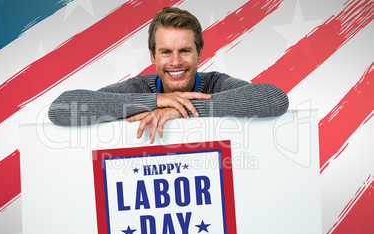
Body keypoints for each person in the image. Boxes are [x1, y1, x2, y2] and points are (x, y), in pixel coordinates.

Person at [48, 7, 289, 143]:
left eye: (185, 50)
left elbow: (274, 98)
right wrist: (156, 101)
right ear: (152, 56)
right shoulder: (138, 88)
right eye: (165, 52)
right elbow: (60, 109)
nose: (175, 62)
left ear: (199, 53)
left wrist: (181, 109)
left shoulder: (216, 82)